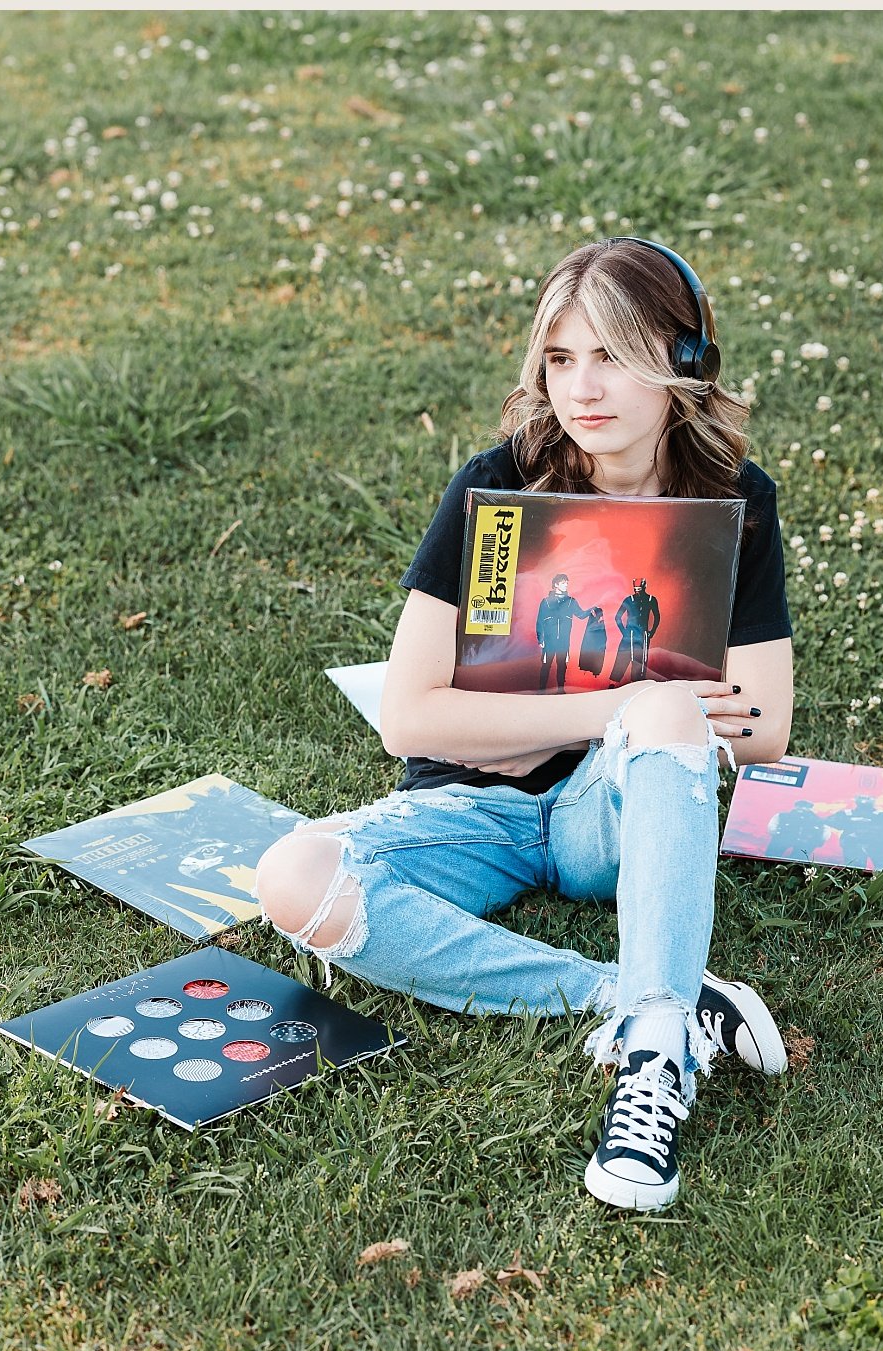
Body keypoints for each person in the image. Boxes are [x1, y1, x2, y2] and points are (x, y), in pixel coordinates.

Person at [252, 240, 795, 1216]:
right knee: (290, 875)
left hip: (615, 816)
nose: (582, 388)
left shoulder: (735, 505)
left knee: (670, 709)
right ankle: (639, 996)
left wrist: (625, 722)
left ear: (683, 362)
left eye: (613, 356)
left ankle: (651, 1065)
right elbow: (412, 717)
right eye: (559, 358)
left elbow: (759, 723)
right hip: (470, 812)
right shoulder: (496, 484)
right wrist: (618, 708)